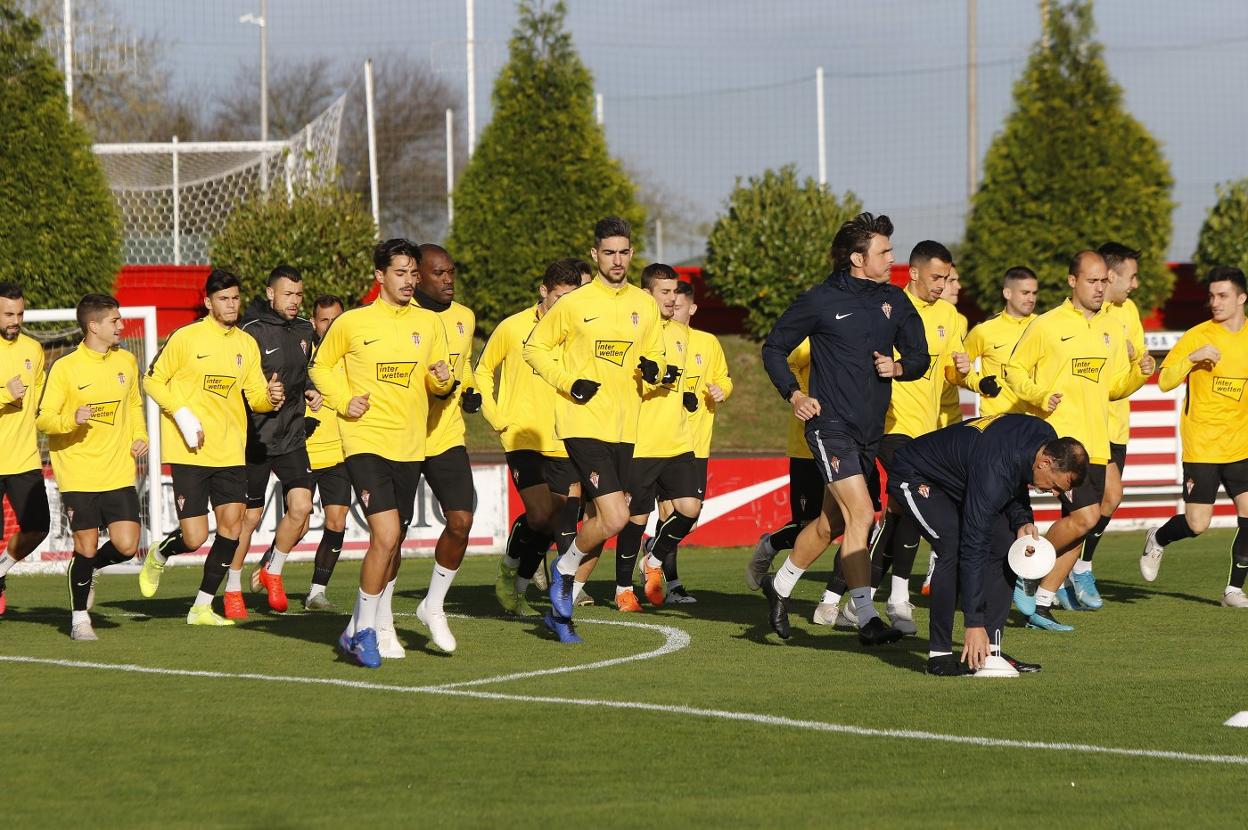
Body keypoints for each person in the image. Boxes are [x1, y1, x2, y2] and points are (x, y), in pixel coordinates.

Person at [759, 212, 929, 645]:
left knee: (828, 524)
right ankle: (867, 617)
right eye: (884, 251)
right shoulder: (819, 300)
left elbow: (920, 357)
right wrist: (795, 395)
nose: (894, 258)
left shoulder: (896, 300)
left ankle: (779, 587)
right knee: (863, 515)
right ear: (857, 257)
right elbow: (774, 348)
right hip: (827, 425)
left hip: (870, 432)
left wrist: (900, 366)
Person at [308, 239, 452, 668]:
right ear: (380, 276)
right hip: (365, 442)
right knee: (386, 535)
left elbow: (437, 380)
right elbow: (320, 367)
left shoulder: (429, 324)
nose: (409, 281)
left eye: (413, 273)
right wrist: (342, 400)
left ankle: (356, 626)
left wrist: (442, 381)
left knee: (393, 543)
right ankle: (366, 632)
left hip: (411, 446)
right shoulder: (352, 323)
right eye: (400, 273)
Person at [523, 216, 665, 643]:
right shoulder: (573, 304)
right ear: (595, 255)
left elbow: (655, 361)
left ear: (632, 253)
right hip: (582, 422)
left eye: (623, 252)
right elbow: (535, 348)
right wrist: (569, 382)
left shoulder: (645, 304)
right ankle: (564, 580)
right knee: (618, 514)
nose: (617, 260)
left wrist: (656, 371)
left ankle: (561, 591)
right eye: (609, 252)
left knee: (607, 520)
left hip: (626, 428)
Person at [1004, 251, 1150, 631]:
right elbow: (1014, 368)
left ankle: (1042, 603)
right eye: (1092, 281)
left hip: (1097, 442)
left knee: (1084, 524)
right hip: (1062, 443)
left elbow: (1116, 387)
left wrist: (1139, 374)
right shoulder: (1047, 325)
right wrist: (1038, 395)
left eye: (1104, 281)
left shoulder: (1113, 328)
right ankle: (1026, 571)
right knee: (1084, 517)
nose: (1100, 288)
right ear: (1072, 281)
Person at [851, 240, 987, 635]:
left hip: (928, 432)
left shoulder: (950, 317)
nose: (942, 285)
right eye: (936, 277)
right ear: (912, 273)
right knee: (913, 502)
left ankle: (843, 600)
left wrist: (962, 370)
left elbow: (950, 375)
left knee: (903, 511)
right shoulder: (887, 307)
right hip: (891, 426)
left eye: (947, 278)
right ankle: (896, 600)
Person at [886, 413, 1088, 675]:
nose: (1056, 494)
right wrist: (973, 623)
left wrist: (1021, 520)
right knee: (953, 546)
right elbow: (974, 544)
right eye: (1055, 486)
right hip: (917, 474)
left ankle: (991, 649)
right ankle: (940, 655)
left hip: (966, 477)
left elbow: (1016, 477)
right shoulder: (994, 472)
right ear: (1045, 462)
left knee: (1006, 545)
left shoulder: (1044, 436)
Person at [140, 269, 285, 625]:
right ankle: (160, 552)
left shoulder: (245, 344)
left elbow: (254, 396)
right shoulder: (186, 337)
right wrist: (183, 415)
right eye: (223, 299)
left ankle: (202, 606)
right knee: (194, 536)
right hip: (189, 452)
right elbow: (152, 380)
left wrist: (270, 398)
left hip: (230, 453)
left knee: (231, 531)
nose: (231, 304)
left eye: (235, 298)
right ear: (208, 302)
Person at [478, 258, 588, 617]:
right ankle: (509, 571)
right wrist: (497, 417)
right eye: (559, 297)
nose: (565, 306)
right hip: (522, 435)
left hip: (562, 437)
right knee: (541, 515)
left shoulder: (577, 334)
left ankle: (519, 588)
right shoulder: (512, 328)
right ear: (543, 291)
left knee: (554, 519)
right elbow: (482, 371)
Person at [35, 294, 147, 640]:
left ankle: (89, 568)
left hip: (117, 471)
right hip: (79, 474)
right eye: (114, 321)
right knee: (84, 545)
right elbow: (44, 419)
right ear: (93, 326)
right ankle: (80, 618)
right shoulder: (65, 368)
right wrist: (72, 418)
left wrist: (139, 436)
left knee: (128, 545)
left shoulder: (126, 361)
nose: (121, 325)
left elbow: (133, 405)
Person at [1141, 266, 1248, 606]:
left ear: (1242, 298)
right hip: (1202, 446)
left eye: (1223, 296)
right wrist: (1192, 357)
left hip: (1241, 445)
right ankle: (1157, 537)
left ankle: (1233, 589)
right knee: (1198, 524)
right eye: (1212, 296)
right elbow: (1165, 380)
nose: (1214, 302)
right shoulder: (1197, 335)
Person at [222, 265, 316, 619]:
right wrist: (263, 393)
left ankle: (272, 569)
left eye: (299, 295)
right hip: (254, 438)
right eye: (287, 294)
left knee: (302, 507)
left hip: (291, 434)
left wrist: (311, 390)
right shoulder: (249, 331)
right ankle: (232, 588)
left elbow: (303, 372)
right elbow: (236, 382)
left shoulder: (305, 329)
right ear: (271, 293)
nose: (294, 301)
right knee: (250, 518)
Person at [1064, 242, 1151, 609]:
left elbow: (1136, 364)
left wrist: (1139, 364)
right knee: (1096, 503)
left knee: (1105, 502)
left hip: (1115, 425)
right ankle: (1064, 570)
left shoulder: (1128, 312)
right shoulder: (1078, 317)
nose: (1134, 285)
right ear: (1110, 276)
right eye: (1130, 277)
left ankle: (1075, 568)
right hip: (1085, 427)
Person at [615, 264, 700, 611]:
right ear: (647, 294)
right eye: (664, 292)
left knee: (690, 510)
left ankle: (654, 559)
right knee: (635, 519)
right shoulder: (634, 329)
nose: (672, 298)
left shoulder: (680, 334)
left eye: (674, 291)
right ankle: (622, 588)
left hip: (677, 440)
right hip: (641, 442)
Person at [407, 242, 478, 655]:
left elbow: (463, 364)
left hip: (446, 434)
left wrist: (467, 389)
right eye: (439, 273)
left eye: (451, 271)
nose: (448, 280)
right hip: (401, 436)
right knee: (391, 532)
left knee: (461, 520)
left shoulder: (464, 317)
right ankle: (377, 617)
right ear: (417, 275)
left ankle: (433, 605)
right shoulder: (401, 320)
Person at [653, 279, 733, 602]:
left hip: (697, 445)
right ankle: (669, 585)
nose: (673, 311)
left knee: (689, 518)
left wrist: (720, 391)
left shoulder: (708, 343)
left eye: (679, 306)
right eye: (669, 305)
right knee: (666, 512)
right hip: (663, 441)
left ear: (693, 308)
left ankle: (653, 553)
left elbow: (724, 379)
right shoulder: (657, 339)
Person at [745, 338, 823, 591]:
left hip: (849, 444)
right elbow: (787, 364)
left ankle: (839, 603)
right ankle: (769, 546)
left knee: (856, 522)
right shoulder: (814, 334)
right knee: (808, 526)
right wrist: (803, 399)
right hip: (807, 446)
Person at [0, 283, 50, 615]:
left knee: (39, 526)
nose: (15, 320)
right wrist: (5, 393)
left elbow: (41, 403)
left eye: (19, 314)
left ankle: (0, 569)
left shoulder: (34, 349)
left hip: (23, 458)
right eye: (8, 314)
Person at [301, 295, 353, 611]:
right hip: (303, 454)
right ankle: (273, 560)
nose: (331, 326)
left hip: (339, 453)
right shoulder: (301, 354)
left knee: (336, 521)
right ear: (314, 324)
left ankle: (316, 592)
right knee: (299, 523)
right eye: (324, 320)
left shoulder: (353, 357)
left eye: (337, 320)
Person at [963, 266, 1039, 418]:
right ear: (1007, 293)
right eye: (1025, 293)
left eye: (1034, 293)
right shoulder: (984, 330)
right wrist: (979, 383)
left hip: (1034, 422)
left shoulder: (1043, 326)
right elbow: (956, 369)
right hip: (996, 421)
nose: (1031, 299)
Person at [937, 264, 970, 428]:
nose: (959, 286)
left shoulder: (961, 320)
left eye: (958, 280)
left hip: (952, 415)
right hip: (924, 416)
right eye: (952, 281)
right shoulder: (915, 317)